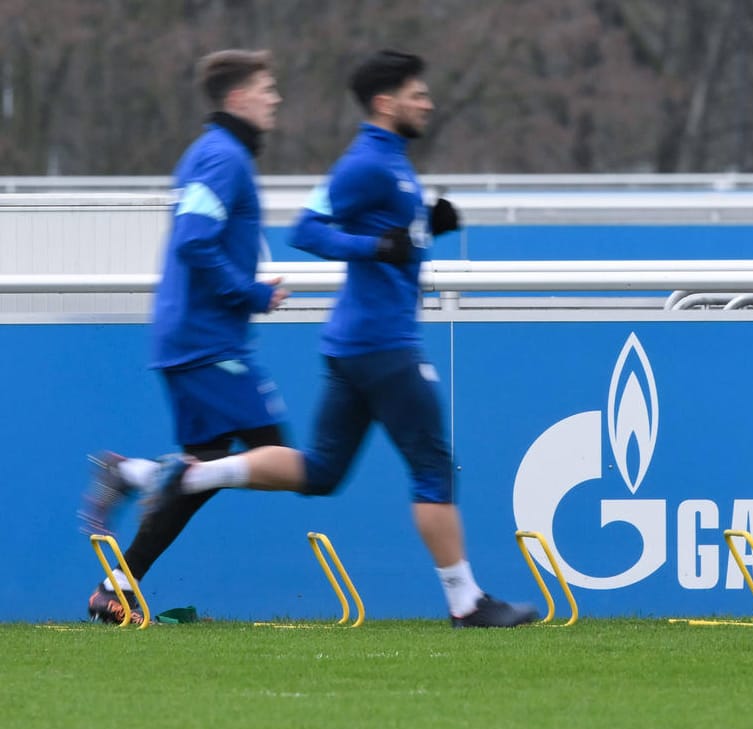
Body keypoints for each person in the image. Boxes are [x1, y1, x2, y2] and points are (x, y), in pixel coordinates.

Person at [138, 49, 536, 628]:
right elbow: (308, 229)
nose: (428, 102)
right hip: (381, 343)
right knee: (432, 467)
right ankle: (466, 601)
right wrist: (373, 248)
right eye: (416, 93)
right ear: (385, 102)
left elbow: (390, 234)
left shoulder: (392, 162)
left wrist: (427, 224)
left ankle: (195, 473)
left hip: (356, 344)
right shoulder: (365, 162)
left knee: (322, 471)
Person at [79, 50, 289, 625]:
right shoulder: (224, 157)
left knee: (206, 471)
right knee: (290, 461)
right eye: (266, 89)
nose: (275, 99)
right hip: (206, 345)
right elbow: (195, 240)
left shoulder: (210, 153)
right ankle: (134, 473)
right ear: (238, 97)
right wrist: (250, 294)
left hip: (190, 340)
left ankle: (114, 588)